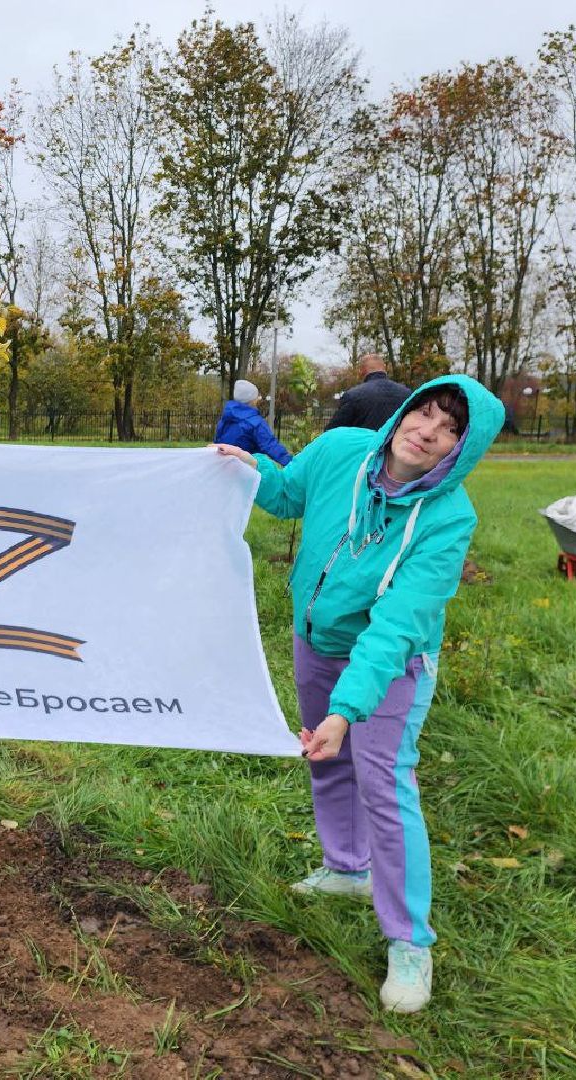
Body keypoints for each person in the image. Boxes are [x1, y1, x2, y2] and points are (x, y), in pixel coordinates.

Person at [213, 374, 503, 1014]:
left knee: (385, 782)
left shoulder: (449, 518)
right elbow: (289, 494)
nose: (427, 432)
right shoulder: (342, 448)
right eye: (423, 414)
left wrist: (349, 708)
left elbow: (398, 623)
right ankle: (347, 868)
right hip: (314, 635)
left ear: (463, 449)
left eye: (449, 430)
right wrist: (247, 466)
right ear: (402, 414)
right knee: (325, 757)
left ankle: (409, 941)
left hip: (390, 659)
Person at [214, 379, 292, 465]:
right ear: (252, 400)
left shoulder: (225, 419)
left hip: (226, 466)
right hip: (247, 468)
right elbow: (270, 445)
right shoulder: (256, 423)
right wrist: (290, 462)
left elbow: (217, 443)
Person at [327, 354, 411, 432]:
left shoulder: (353, 396)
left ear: (362, 370)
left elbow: (333, 431)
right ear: (385, 368)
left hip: (365, 447)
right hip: (396, 446)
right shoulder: (407, 394)